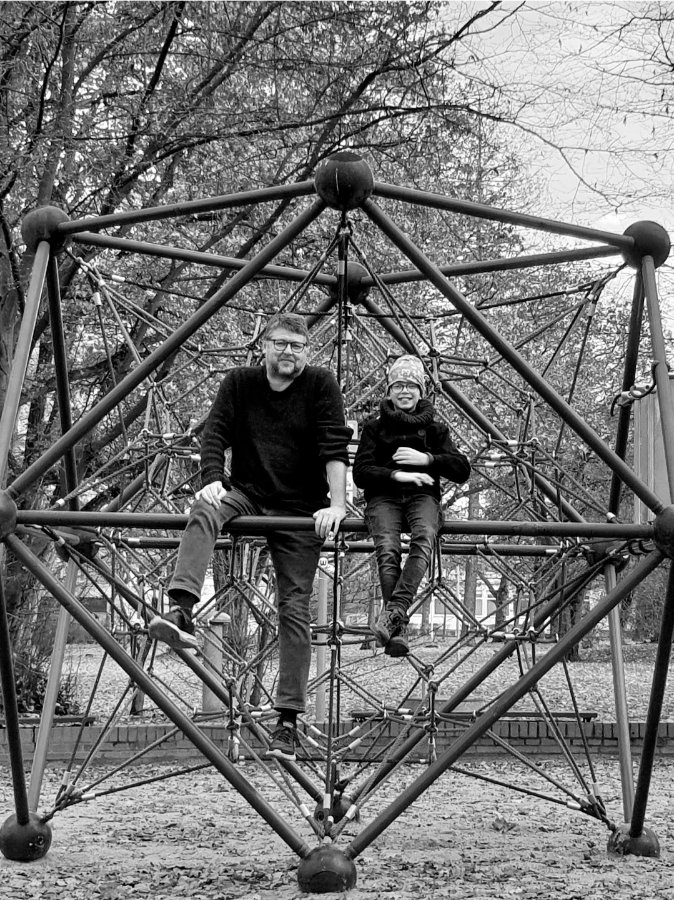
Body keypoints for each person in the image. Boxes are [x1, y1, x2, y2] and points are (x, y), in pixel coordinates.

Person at [149, 312, 352, 761]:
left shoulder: (320, 385)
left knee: (294, 606)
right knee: (204, 508)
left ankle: (287, 722)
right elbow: (214, 434)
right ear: (264, 345)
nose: (289, 352)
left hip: (301, 507)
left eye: (298, 345)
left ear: (307, 350)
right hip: (248, 494)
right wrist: (211, 478)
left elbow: (333, 447)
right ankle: (182, 610)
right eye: (281, 343)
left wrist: (337, 505)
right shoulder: (239, 383)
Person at [353, 355, 470, 657]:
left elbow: (461, 469)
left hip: (422, 497)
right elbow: (361, 473)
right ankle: (398, 626)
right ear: (389, 391)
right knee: (387, 547)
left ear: (421, 391)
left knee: (424, 536)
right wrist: (395, 474)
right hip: (383, 497)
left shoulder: (435, 430)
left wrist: (428, 459)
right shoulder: (374, 428)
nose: (404, 391)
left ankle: (394, 612)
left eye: (411, 385)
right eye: (398, 385)